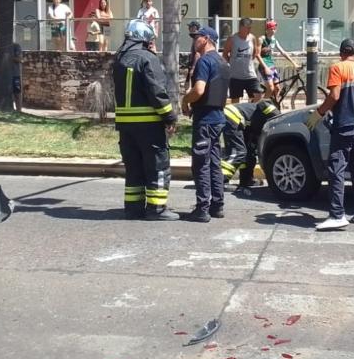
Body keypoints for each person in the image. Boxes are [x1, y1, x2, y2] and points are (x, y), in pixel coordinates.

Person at [113, 19, 179, 221]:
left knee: (134, 168)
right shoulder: (147, 59)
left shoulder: (119, 59)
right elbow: (156, 91)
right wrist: (169, 117)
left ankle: (133, 208)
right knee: (157, 166)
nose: (152, 45)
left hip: (126, 127)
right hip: (149, 126)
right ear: (144, 39)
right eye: (150, 41)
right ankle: (156, 209)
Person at [306, 38, 354, 231]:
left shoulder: (338, 68)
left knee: (337, 168)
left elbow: (334, 96)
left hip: (345, 125)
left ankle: (337, 215)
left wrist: (318, 114)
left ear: (342, 52)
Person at [181, 25, 230, 222]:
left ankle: (202, 208)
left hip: (205, 119)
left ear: (207, 39)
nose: (194, 40)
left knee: (201, 163)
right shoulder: (223, 62)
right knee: (215, 162)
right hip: (218, 117)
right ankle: (217, 205)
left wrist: (185, 100)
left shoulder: (204, 62)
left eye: (197, 37)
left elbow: (199, 90)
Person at [221, 100, 280, 187]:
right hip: (233, 115)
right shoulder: (271, 111)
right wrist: (279, 116)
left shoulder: (257, 125)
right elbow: (263, 103)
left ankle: (246, 180)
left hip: (239, 121)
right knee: (238, 152)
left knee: (249, 152)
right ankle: (219, 180)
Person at [223, 17, 265, 103]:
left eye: (250, 28)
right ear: (241, 27)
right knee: (235, 101)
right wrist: (231, 63)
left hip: (250, 74)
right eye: (247, 28)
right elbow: (225, 54)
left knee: (258, 94)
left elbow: (255, 53)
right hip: (235, 76)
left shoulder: (252, 38)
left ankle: (250, 109)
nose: (249, 30)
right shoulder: (232, 39)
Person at [260, 20, 298, 103]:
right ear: (267, 30)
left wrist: (294, 63)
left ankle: (274, 104)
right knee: (270, 88)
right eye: (271, 28)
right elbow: (257, 53)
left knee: (277, 88)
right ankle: (262, 105)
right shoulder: (263, 39)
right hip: (264, 65)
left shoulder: (274, 40)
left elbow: (283, 52)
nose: (273, 30)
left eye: (274, 28)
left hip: (271, 65)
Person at [184, 21, 203, 92]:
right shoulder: (195, 37)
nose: (189, 29)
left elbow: (197, 54)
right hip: (193, 63)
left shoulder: (198, 38)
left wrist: (193, 67)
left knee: (195, 85)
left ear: (194, 28)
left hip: (197, 65)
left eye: (190, 27)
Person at [11, 41, 24, 111]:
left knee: (17, 93)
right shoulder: (1, 46)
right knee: (8, 94)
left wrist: (10, 56)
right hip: (5, 75)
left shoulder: (16, 46)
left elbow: (20, 59)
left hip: (15, 74)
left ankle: (19, 110)